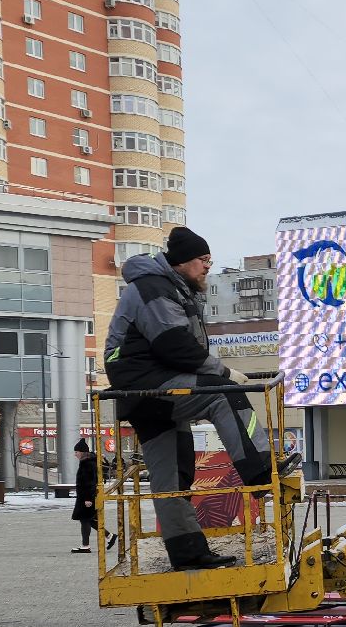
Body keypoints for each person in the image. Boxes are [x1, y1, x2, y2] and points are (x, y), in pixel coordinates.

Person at [103, 226, 290, 571]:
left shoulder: (170, 288)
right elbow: (174, 344)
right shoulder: (155, 289)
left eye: (209, 259)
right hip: (149, 386)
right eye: (203, 259)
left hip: (145, 393)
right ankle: (262, 470)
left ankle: (187, 553)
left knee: (171, 478)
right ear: (182, 261)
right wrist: (222, 372)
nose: (208, 265)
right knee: (224, 395)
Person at [70, 439, 99, 553]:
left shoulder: (87, 464)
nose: (75, 454)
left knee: (85, 520)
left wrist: (88, 498)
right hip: (84, 497)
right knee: (88, 520)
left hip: (86, 497)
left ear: (82, 452)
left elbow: (90, 482)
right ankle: (109, 536)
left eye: (76, 451)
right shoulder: (86, 462)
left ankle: (85, 546)